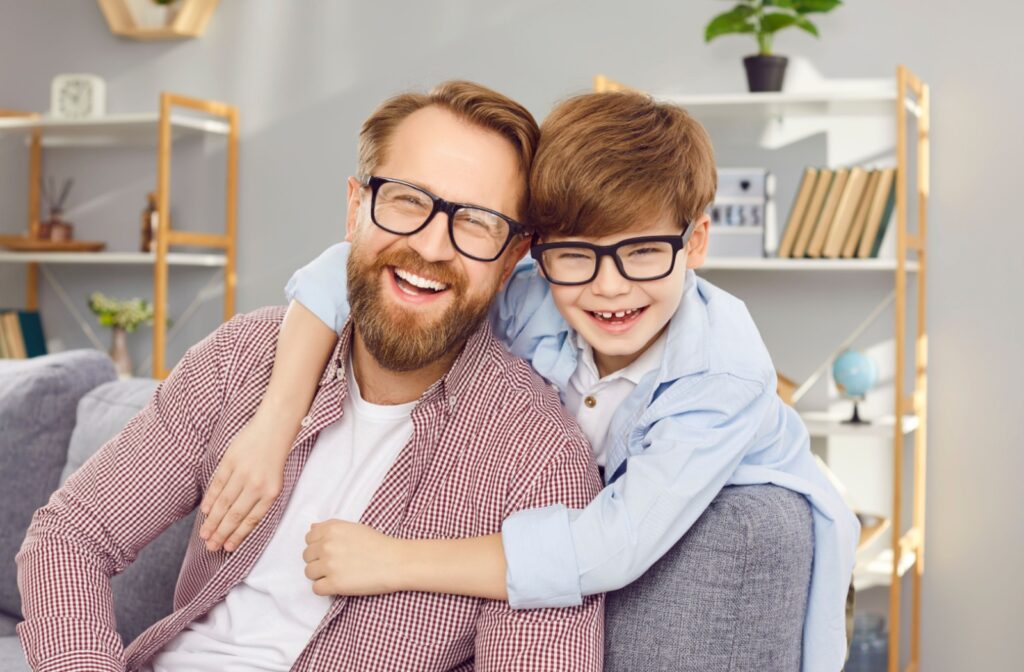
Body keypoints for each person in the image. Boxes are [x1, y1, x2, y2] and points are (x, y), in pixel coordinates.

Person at [204, 91, 860, 671]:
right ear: (535, 253)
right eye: (575, 255)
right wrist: (273, 425)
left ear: (696, 245)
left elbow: (613, 545)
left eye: (643, 253)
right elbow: (339, 272)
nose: (609, 287)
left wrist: (393, 560)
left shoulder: (722, 371)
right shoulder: (532, 292)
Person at [16, 81, 605, 672]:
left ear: (511, 260)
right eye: (406, 200)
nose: (430, 245)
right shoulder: (242, 358)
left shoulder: (539, 459)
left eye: (476, 222)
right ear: (355, 209)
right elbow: (69, 539)